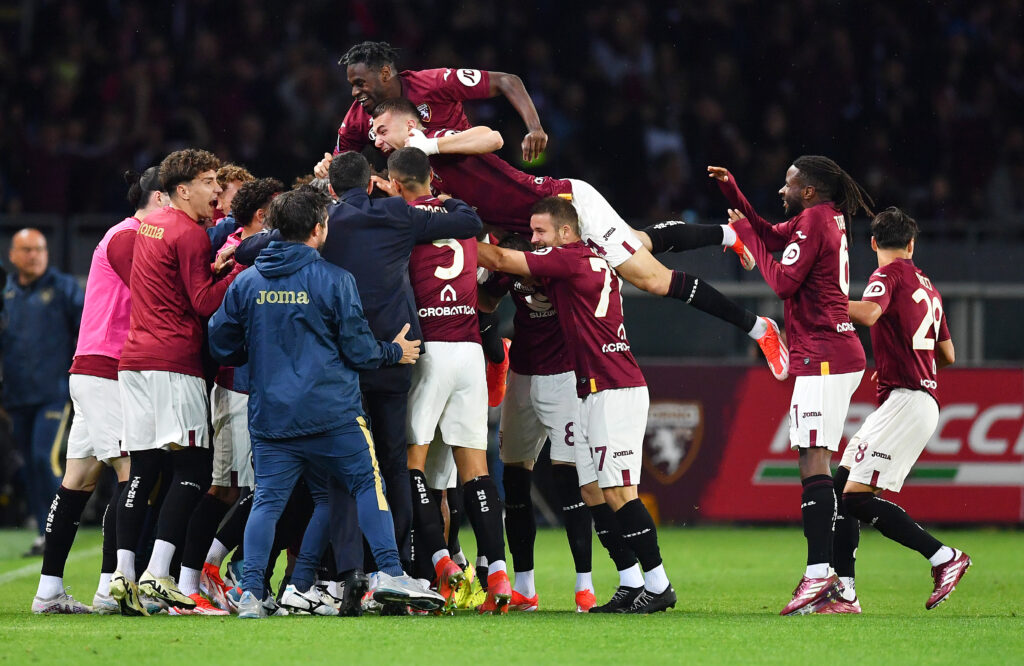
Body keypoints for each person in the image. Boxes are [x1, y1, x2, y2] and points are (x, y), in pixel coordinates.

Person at [316, 99, 787, 380]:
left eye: (381, 130)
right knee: (484, 293)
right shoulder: (415, 170)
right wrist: (336, 179)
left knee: (654, 280)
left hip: (567, 206)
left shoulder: (437, 141)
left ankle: (758, 328)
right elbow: (399, 196)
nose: (375, 139)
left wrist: (433, 144)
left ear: (409, 126)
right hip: (523, 227)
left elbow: (493, 137)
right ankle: (728, 234)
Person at [237, 150, 482, 614]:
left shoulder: (325, 220)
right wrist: (443, 201)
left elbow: (255, 251)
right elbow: (469, 222)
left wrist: (235, 245)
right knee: (389, 469)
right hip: (390, 359)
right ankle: (394, 570)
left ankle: (338, 577)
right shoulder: (396, 214)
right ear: (375, 182)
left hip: (334, 369)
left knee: (332, 482)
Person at [207, 186, 444, 618]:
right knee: (364, 486)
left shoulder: (247, 281)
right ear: (318, 229)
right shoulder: (335, 280)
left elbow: (220, 342)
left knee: (268, 501)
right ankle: (390, 572)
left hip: (273, 417)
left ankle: (254, 594)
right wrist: (394, 352)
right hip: (333, 415)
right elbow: (358, 350)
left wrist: (259, 349)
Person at [477, 197, 677, 614]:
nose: (534, 241)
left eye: (541, 234)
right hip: (592, 386)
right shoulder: (592, 257)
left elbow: (496, 256)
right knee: (596, 488)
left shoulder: (569, 261)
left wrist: (444, 230)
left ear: (566, 233)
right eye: (530, 234)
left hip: (610, 386)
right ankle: (634, 582)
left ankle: (656, 583)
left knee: (616, 490)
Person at [711, 157, 872, 615]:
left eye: (789, 183)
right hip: (832, 353)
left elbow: (782, 282)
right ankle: (842, 588)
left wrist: (745, 239)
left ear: (808, 190)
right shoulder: (823, 218)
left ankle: (819, 575)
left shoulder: (814, 221)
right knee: (818, 459)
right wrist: (734, 195)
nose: (782, 190)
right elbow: (768, 232)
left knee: (812, 458)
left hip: (824, 355)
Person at [110, 149, 242, 616]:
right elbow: (206, 304)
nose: (214, 190)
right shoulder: (189, 232)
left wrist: (213, 270)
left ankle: (123, 578)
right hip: (172, 361)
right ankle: (158, 575)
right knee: (195, 468)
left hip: (135, 360)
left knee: (144, 469)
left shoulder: (149, 224)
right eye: (208, 181)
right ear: (183, 189)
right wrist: (236, 273)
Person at [30, 169, 167, 614]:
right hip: (107, 369)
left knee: (80, 479)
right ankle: (113, 588)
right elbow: (155, 294)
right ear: (161, 196)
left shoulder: (127, 234)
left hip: (96, 368)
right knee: (133, 470)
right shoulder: (130, 236)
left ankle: (49, 589)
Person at [383, 147, 511, 613]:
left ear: (396, 183)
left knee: (412, 465)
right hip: (470, 351)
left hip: (430, 351)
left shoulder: (402, 220)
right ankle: (496, 570)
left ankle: (441, 562)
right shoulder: (463, 216)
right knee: (474, 467)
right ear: (431, 177)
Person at [823, 207, 969, 613]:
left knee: (855, 498)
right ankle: (845, 592)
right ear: (911, 244)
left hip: (908, 400)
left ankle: (944, 557)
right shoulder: (928, 285)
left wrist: (827, 301)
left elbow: (869, 314)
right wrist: (902, 362)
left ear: (873, 243)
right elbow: (949, 354)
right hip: (910, 396)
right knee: (842, 488)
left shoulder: (886, 276)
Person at [176, 177, 285, 614]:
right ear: (263, 216)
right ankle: (203, 570)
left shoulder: (237, 248)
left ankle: (205, 571)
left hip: (247, 385)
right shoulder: (245, 253)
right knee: (237, 489)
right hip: (239, 384)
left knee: (242, 489)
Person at [2, 228, 84, 556]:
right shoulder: (6, 293)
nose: (34, 255)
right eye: (27, 250)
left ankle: (58, 529)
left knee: (44, 458)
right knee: (30, 465)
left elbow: (84, 333)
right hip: (17, 395)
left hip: (54, 392)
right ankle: (42, 531)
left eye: (39, 249)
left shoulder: (64, 288)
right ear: (12, 255)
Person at [330, 40, 547, 164]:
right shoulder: (356, 118)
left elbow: (507, 80)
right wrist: (327, 166)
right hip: (425, 196)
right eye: (352, 84)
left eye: (360, 83)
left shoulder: (434, 83)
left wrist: (535, 128)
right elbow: (341, 166)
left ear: (385, 73)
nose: (354, 92)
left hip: (472, 169)